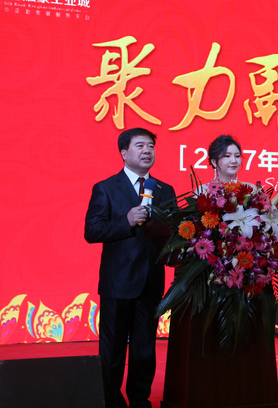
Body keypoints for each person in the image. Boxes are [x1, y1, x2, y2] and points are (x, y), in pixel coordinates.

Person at [85, 128, 176, 408]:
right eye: (140, 146)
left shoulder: (164, 190)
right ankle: (111, 401)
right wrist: (125, 220)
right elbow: (92, 231)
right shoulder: (106, 188)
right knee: (112, 349)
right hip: (118, 283)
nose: (147, 151)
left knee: (144, 349)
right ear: (124, 153)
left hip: (150, 282)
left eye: (151, 146)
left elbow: (172, 234)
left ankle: (139, 400)